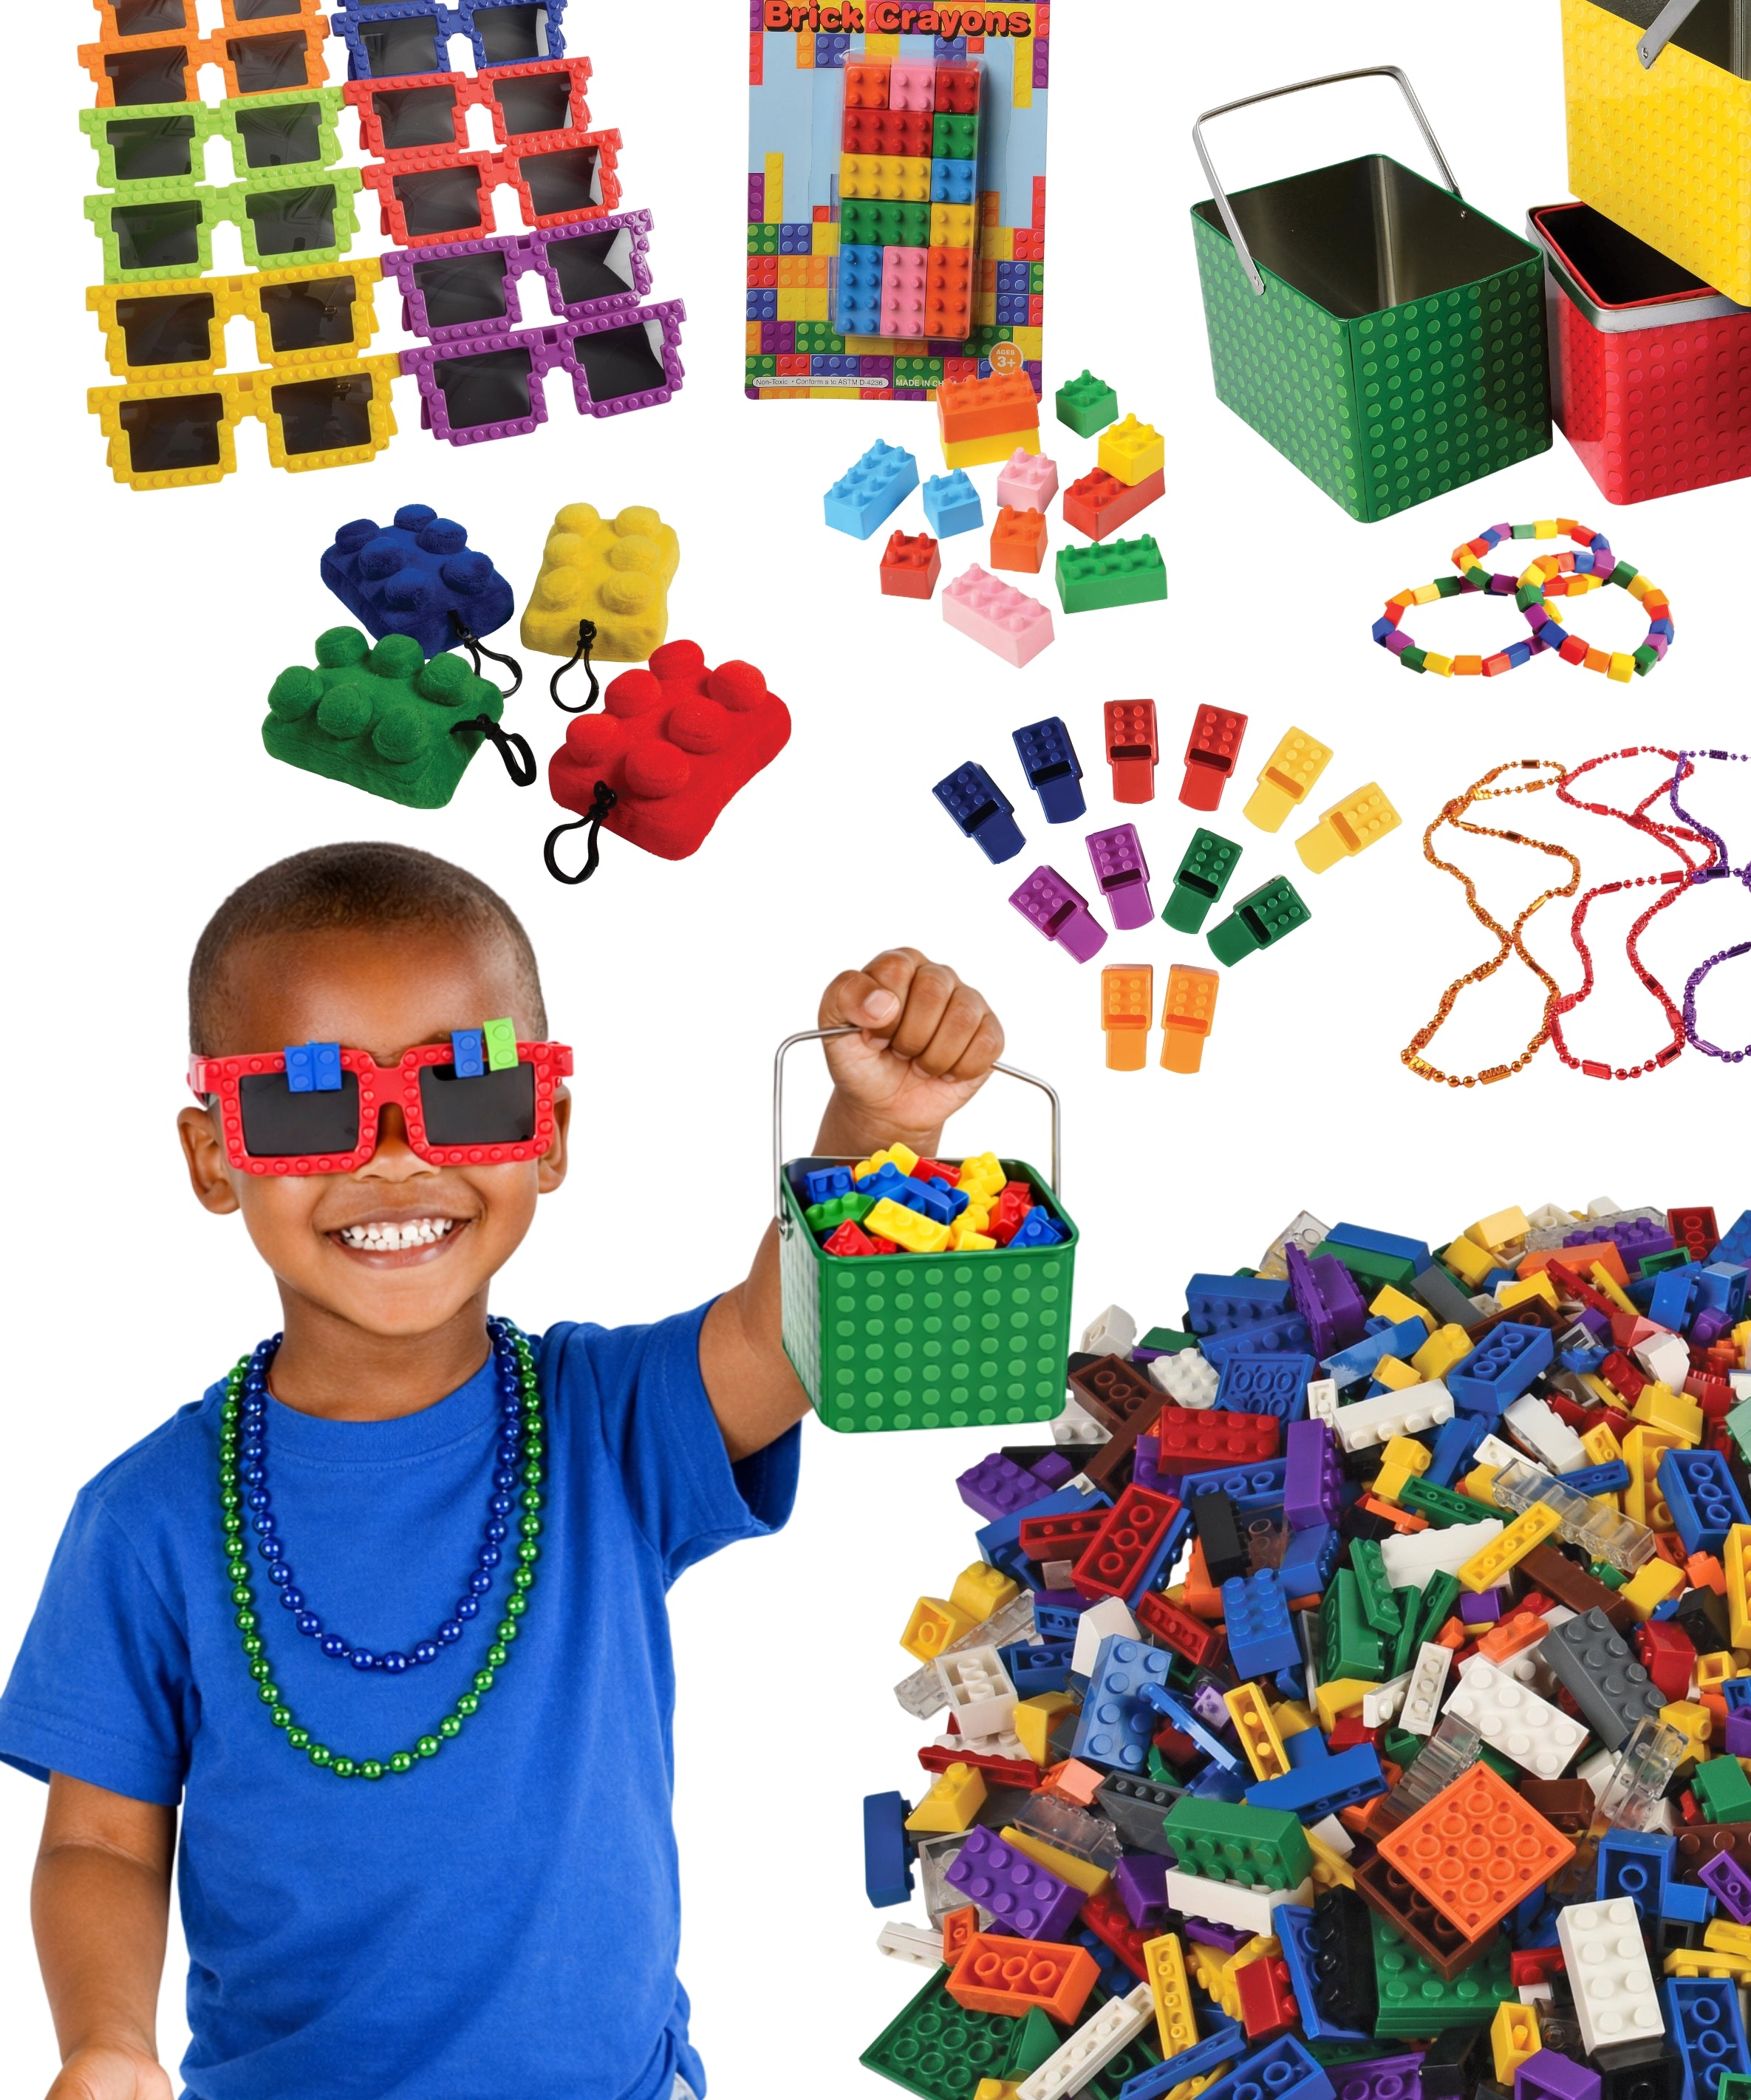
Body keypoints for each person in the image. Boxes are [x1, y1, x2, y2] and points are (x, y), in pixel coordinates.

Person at [1, 841, 1008, 2100]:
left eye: (466, 1095)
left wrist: (877, 1128)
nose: (396, 1159)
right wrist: (107, 2041)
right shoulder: (144, 1519)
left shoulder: (609, 1423)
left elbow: (783, 1332)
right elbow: (98, 1838)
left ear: (549, 1134)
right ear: (216, 1157)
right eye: (309, 1107)